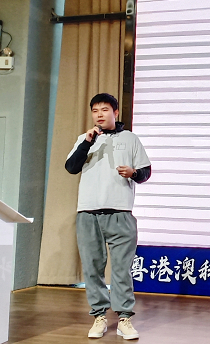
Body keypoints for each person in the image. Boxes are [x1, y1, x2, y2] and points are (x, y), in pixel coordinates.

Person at [65, 93, 151, 340]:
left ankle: (124, 318)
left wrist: (133, 172)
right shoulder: (84, 139)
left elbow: (145, 172)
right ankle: (99, 317)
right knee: (92, 268)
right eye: (95, 110)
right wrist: (87, 143)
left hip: (120, 212)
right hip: (88, 213)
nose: (99, 114)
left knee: (122, 269)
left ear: (115, 113)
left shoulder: (130, 138)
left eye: (104, 109)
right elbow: (71, 167)